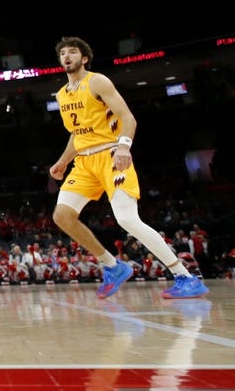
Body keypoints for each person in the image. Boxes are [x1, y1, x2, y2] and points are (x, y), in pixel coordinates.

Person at [49, 36, 207, 300]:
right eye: (63, 53)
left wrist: (123, 147)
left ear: (84, 58)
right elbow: (77, 134)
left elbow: (127, 118)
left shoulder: (97, 81)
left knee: (127, 219)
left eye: (73, 52)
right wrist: (63, 161)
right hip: (84, 163)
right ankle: (113, 266)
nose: (67, 56)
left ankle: (185, 276)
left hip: (111, 155)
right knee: (62, 216)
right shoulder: (62, 94)